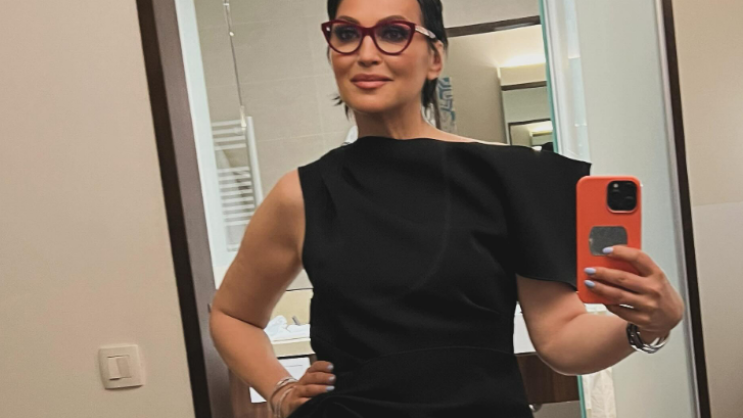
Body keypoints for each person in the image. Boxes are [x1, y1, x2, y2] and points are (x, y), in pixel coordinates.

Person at [209, 0, 686, 417]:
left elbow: (561, 339)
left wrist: (646, 326)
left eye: (393, 33)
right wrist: (280, 390)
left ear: (435, 56)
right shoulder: (303, 194)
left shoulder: (512, 177)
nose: (366, 53)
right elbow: (231, 315)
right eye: (347, 34)